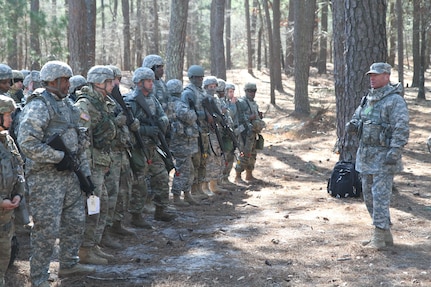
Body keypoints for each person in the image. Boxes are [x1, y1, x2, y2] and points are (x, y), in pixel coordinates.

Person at [17, 60, 95, 287]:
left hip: (70, 176)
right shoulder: (39, 105)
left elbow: (79, 140)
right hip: (45, 179)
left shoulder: (67, 105)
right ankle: (39, 277)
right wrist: (59, 157)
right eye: (65, 80)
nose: (68, 84)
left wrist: (85, 174)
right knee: (46, 231)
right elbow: (27, 143)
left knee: (75, 222)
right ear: (53, 81)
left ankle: (69, 263)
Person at [346, 62, 409, 250]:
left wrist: (395, 151)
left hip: (384, 157)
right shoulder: (368, 99)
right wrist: (354, 125)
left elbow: (401, 128)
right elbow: (359, 118)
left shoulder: (394, 101)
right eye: (370, 75)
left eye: (376, 75)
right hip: (366, 156)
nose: (372, 78)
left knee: (380, 196)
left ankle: (378, 236)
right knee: (368, 195)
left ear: (387, 76)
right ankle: (385, 234)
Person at [74, 65, 119, 263]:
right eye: (110, 82)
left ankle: (93, 244)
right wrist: (87, 169)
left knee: (102, 205)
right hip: (91, 165)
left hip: (101, 162)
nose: (114, 85)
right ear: (100, 83)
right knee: (92, 207)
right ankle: (84, 250)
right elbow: (82, 140)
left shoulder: (103, 102)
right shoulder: (85, 105)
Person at [125, 67, 176, 222]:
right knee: (139, 183)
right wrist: (146, 129)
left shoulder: (153, 99)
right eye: (148, 81)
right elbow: (128, 127)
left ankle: (161, 209)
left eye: (152, 80)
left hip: (154, 146)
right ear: (139, 83)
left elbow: (163, 117)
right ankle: (136, 215)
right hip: (139, 148)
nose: (151, 84)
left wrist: (161, 123)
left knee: (161, 176)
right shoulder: (131, 101)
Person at [103, 64, 137, 234]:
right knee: (111, 191)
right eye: (114, 80)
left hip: (122, 150)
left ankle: (117, 223)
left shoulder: (118, 98)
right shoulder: (102, 101)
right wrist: (118, 121)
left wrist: (131, 122)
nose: (116, 84)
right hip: (110, 153)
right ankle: (106, 229)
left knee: (124, 188)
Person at [0, 95, 24, 287]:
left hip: (6, 215)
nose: (11, 119)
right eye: (7, 115)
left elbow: (18, 169)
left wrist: (18, 193)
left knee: (5, 253)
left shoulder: (7, 140)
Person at [166, 79, 199, 206]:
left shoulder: (168, 103)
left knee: (188, 168)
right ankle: (176, 196)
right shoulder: (179, 104)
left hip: (180, 142)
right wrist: (193, 111)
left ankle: (186, 193)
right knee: (183, 169)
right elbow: (190, 117)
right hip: (181, 143)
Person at [181, 65, 213, 199]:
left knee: (203, 160)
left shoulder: (201, 92)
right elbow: (186, 113)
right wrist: (203, 115)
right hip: (193, 132)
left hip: (204, 131)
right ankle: (193, 189)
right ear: (191, 78)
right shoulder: (188, 93)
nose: (200, 79)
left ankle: (200, 188)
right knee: (195, 161)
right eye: (197, 77)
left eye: (201, 77)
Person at [235, 82, 266, 183]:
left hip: (253, 132)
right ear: (246, 91)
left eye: (254, 91)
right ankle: (238, 176)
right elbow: (238, 117)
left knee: (252, 154)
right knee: (244, 154)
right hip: (245, 133)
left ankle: (249, 175)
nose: (252, 93)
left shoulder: (254, 103)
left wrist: (258, 116)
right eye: (250, 91)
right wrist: (249, 117)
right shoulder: (241, 102)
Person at [202, 76, 227, 194]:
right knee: (209, 160)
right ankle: (204, 186)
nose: (212, 89)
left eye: (214, 87)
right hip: (208, 133)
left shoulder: (216, 99)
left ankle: (214, 184)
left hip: (217, 132)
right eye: (210, 87)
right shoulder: (203, 98)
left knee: (217, 158)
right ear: (205, 87)